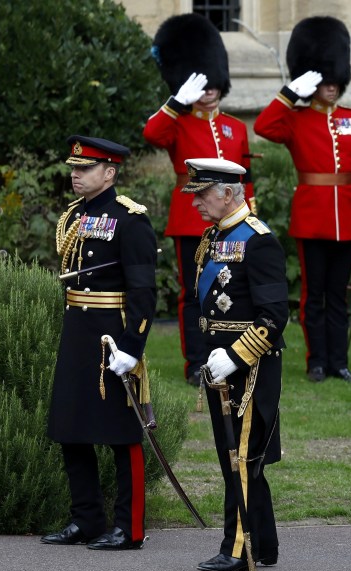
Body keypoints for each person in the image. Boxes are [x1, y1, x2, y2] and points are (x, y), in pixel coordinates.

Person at [42, 136, 157, 551]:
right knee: (72, 429)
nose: (76, 174)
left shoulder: (131, 219)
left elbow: (144, 292)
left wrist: (132, 347)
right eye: (74, 168)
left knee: (121, 434)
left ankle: (130, 528)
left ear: (109, 173)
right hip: (78, 331)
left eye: (85, 168)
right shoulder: (74, 215)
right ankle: (86, 519)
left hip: (114, 334)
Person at [254, 15, 351, 384]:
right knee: (314, 296)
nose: (332, 87)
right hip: (313, 216)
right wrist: (290, 92)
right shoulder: (294, 118)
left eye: (336, 79)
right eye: (325, 80)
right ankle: (316, 361)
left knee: (338, 296)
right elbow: (263, 126)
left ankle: (339, 362)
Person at [186, 158, 288, 571]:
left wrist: (235, 355)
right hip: (219, 363)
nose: (195, 204)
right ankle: (263, 543)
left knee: (240, 458)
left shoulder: (259, 240)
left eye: (202, 195)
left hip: (249, 366)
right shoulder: (214, 237)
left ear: (228, 194)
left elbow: (273, 316)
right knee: (237, 456)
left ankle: (238, 547)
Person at [144, 13, 255, 386]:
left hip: (233, 220)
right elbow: (151, 133)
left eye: (212, 82)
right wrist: (176, 102)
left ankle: (227, 353)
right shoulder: (177, 121)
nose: (209, 90)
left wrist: (248, 214)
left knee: (230, 289)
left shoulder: (236, 127)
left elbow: (245, 177)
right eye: (201, 82)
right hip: (192, 217)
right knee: (194, 292)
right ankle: (195, 361)